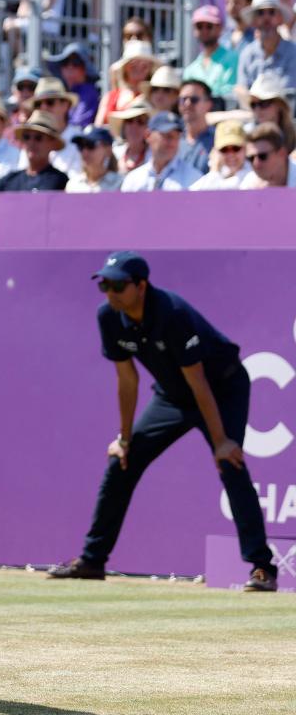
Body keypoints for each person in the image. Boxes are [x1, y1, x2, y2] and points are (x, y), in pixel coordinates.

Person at [47, 252, 278, 593]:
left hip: (222, 388)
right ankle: (92, 560)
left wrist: (220, 441)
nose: (111, 292)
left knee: (229, 462)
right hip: (172, 395)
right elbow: (127, 380)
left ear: (141, 286)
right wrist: (124, 438)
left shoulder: (172, 313)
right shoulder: (109, 317)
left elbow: (199, 382)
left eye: (119, 285)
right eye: (105, 285)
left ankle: (262, 568)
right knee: (122, 461)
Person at [235, 0, 296, 107]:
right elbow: (241, 91)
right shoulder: (247, 54)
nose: (266, 17)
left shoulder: (294, 52)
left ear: (280, 18)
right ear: (254, 20)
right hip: (253, 117)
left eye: (271, 12)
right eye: (260, 12)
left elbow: (288, 97)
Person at [120, 112, 201, 192]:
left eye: (177, 136)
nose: (172, 141)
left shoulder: (194, 179)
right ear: (148, 135)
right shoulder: (133, 179)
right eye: (166, 135)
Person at [0, 110, 69, 192]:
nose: (31, 142)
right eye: (27, 137)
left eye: (38, 137)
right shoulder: (7, 181)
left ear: (52, 143)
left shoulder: (61, 181)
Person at [95, 41, 160, 126]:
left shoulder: (156, 97)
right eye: (133, 63)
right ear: (125, 67)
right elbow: (98, 126)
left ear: (150, 68)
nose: (139, 67)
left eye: (144, 64)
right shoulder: (111, 97)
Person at [183, 5, 238, 101]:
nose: (204, 30)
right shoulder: (190, 70)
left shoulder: (234, 59)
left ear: (219, 28)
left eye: (209, 26)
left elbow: (231, 94)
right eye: (199, 26)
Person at [44, 42, 100, 128]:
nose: (70, 67)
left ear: (85, 69)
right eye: (65, 62)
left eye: (76, 62)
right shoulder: (67, 91)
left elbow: (79, 124)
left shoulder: (89, 92)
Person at [191, 120, 251, 190]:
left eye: (236, 148)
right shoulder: (218, 174)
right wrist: (214, 169)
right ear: (215, 152)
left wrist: (214, 171)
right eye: (224, 149)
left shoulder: (253, 175)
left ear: (246, 148)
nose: (230, 154)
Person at [65, 126, 122, 193]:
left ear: (108, 150)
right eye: (81, 146)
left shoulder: (121, 184)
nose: (84, 152)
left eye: (90, 145)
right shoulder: (73, 185)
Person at [176, 79, 215, 175]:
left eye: (194, 100)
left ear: (208, 104)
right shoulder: (172, 138)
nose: (187, 104)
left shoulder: (218, 140)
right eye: (183, 99)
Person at [240, 121, 296, 187]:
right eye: (251, 158)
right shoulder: (249, 184)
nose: (256, 164)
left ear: (282, 153)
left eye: (262, 156)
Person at [108, 97, 152, 174]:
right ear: (123, 127)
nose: (134, 127)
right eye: (129, 121)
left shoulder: (154, 156)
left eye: (140, 122)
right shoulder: (115, 153)